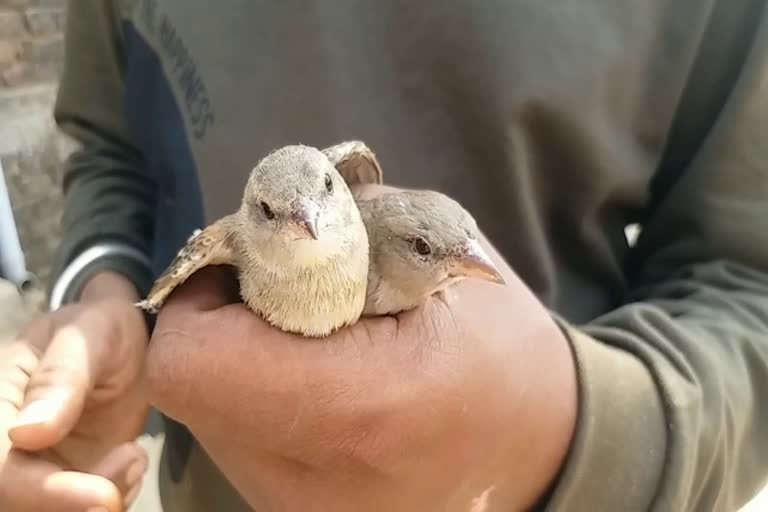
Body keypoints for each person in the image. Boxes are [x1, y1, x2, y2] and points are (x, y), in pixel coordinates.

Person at [1, 0, 768, 510]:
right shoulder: (244, 238)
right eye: (280, 217)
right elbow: (110, 151)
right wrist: (109, 301)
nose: (306, 225)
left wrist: (580, 431)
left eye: (327, 201)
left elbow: (747, 282)